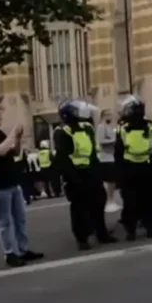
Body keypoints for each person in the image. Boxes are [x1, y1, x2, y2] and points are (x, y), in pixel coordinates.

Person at [0, 105, 45, 267]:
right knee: (4, 220)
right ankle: (9, 253)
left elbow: (13, 151)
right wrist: (13, 134)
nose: (1, 119)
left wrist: (18, 138)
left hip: (12, 181)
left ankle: (22, 249)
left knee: (20, 218)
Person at [53, 100, 117, 250]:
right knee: (79, 207)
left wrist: (98, 172)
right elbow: (63, 158)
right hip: (75, 174)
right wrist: (72, 177)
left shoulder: (87, 128)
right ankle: (82, 238)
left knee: (99, 201)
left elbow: (93, 151)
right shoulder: (62, 132)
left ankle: (101, 233)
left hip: (91, 171)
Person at [115, 95, 152, 240]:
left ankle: (136, 230)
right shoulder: (148, 127)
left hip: (133, 169)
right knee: (142, 200)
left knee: (135, 201)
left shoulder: (125, 128)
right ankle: (145, 228)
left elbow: (118, 153)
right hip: (141, 169)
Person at [96, 109, 121, 212]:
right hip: (104, 157)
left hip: (111, 157)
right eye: (107, 115)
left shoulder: (109, 127)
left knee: (112, 182)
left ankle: (112, 200)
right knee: (108, 181)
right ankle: (109, 202)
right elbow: (101, 141)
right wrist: (114, 141)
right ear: (103, 116)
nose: (110, 117)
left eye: (110, 115)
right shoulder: (101, 127)